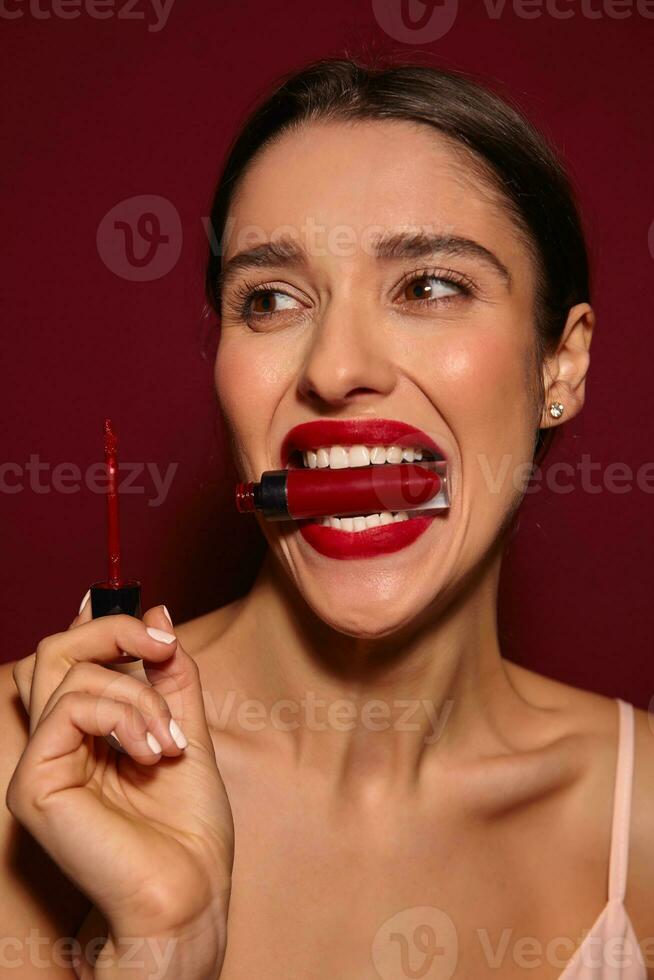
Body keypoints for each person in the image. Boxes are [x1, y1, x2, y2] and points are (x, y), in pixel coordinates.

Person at [1, 56, 652, 980]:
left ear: (562, 366)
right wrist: (162, 946)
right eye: (270, 299)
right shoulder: (30, 773)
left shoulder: (643, 818)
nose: (337, 368)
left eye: (428, 285)